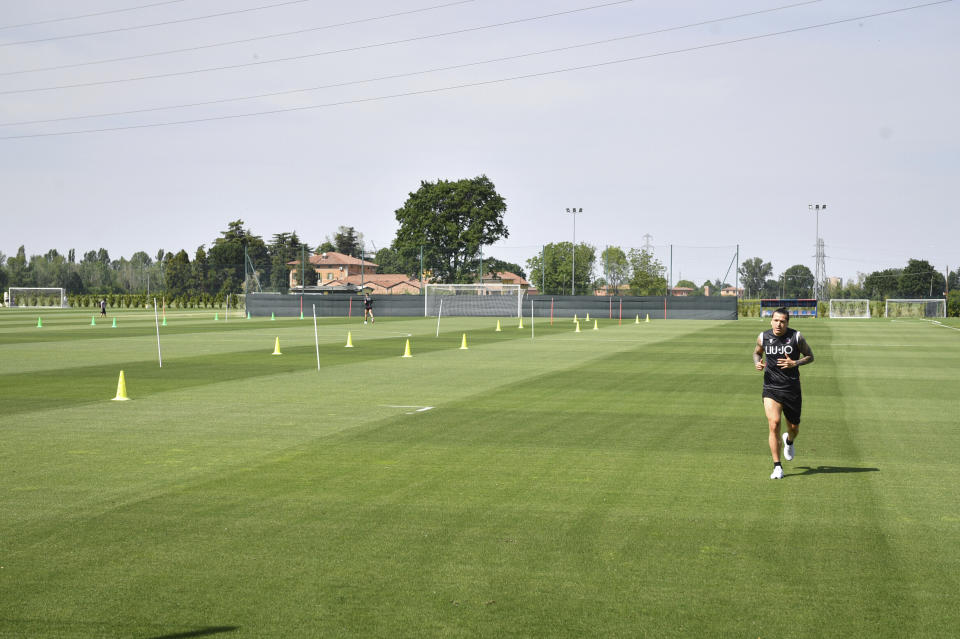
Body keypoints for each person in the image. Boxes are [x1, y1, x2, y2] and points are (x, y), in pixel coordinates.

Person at [753, 307, 814, 479]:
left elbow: (810, 356)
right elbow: (757, 353)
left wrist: (794, 363)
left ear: (787, 323)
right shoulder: (763, 337)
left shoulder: (796, 337)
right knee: (774, 423)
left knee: (793, 428)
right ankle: (777, 466)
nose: (779, 324)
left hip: (792, 388)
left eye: (783, 321)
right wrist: (757, 363)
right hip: (771, 387)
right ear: (771, 320)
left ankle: (789, 441)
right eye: (776, 320)